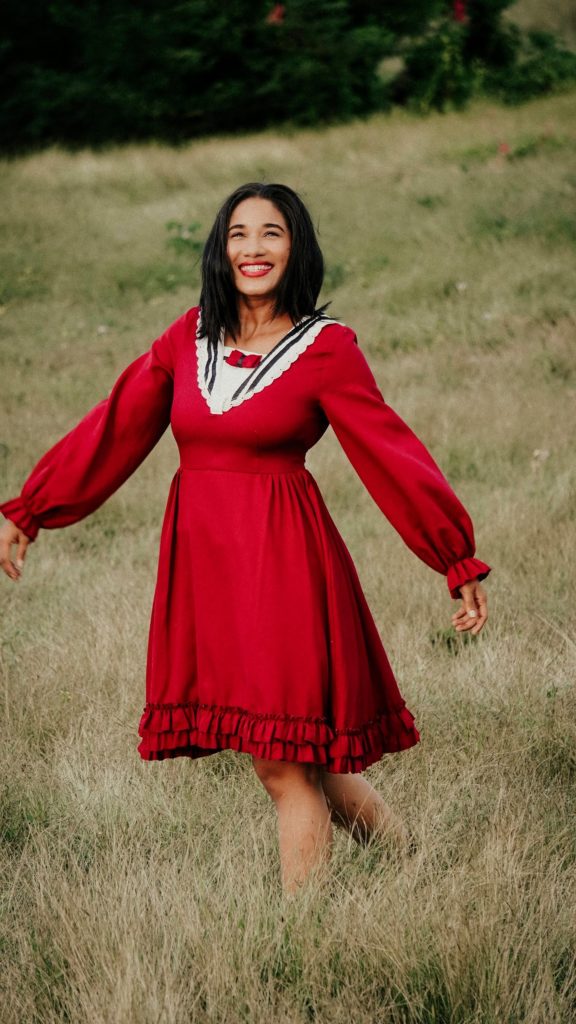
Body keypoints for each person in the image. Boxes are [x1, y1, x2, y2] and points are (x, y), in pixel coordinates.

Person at [0, 182, 490, 895]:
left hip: (285, 563)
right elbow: (115, 429)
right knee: (308, 757)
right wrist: (30, 510)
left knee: (281, 760)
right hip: (209, 568)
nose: (252, 248)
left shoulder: (327, 348)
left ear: (297, 249)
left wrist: (452, 554)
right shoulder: (186, 336)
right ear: (219, 247)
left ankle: (300, 938)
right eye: (238, 233)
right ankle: (416, 867)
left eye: (271, 233)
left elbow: (390, 451)